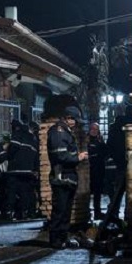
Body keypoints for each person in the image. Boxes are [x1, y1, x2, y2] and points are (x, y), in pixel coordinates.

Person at [47, 105, 88, 249]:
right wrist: (78, 157)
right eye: (74, 120)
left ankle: (62, 238)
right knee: (60, 210)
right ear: (68, 118)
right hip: (61, 177)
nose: (76, 124)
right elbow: (60, 155)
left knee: (65, 211)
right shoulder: (59, 132)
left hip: (68, 178)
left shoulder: (64, 131)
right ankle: (55, 240)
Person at [4, 119, 40, 219]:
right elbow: (36, 156)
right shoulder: (33, 138)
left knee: (12, 191)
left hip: (15, 170)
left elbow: (13, 149)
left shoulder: (17, 134)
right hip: (28, 171)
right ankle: (24, 212)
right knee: (25, 192)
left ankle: (9, 212)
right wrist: (35, 169)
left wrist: (8, 156)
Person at [106, 104, 132, 219]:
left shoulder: (114, 126)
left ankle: (114, 214)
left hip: (119, 163)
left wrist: (115, 157)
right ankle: (130, 215)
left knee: (118, 192)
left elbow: (110, 144)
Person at [88, 122, 109, 221]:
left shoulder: (99, 139)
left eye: (96, 129)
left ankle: (97, 212)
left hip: (99, 169)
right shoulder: (87, 141)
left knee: (97, 193)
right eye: (93, 129)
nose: (94, 131)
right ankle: (87, 212)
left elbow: (105, 151)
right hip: (91, 170)